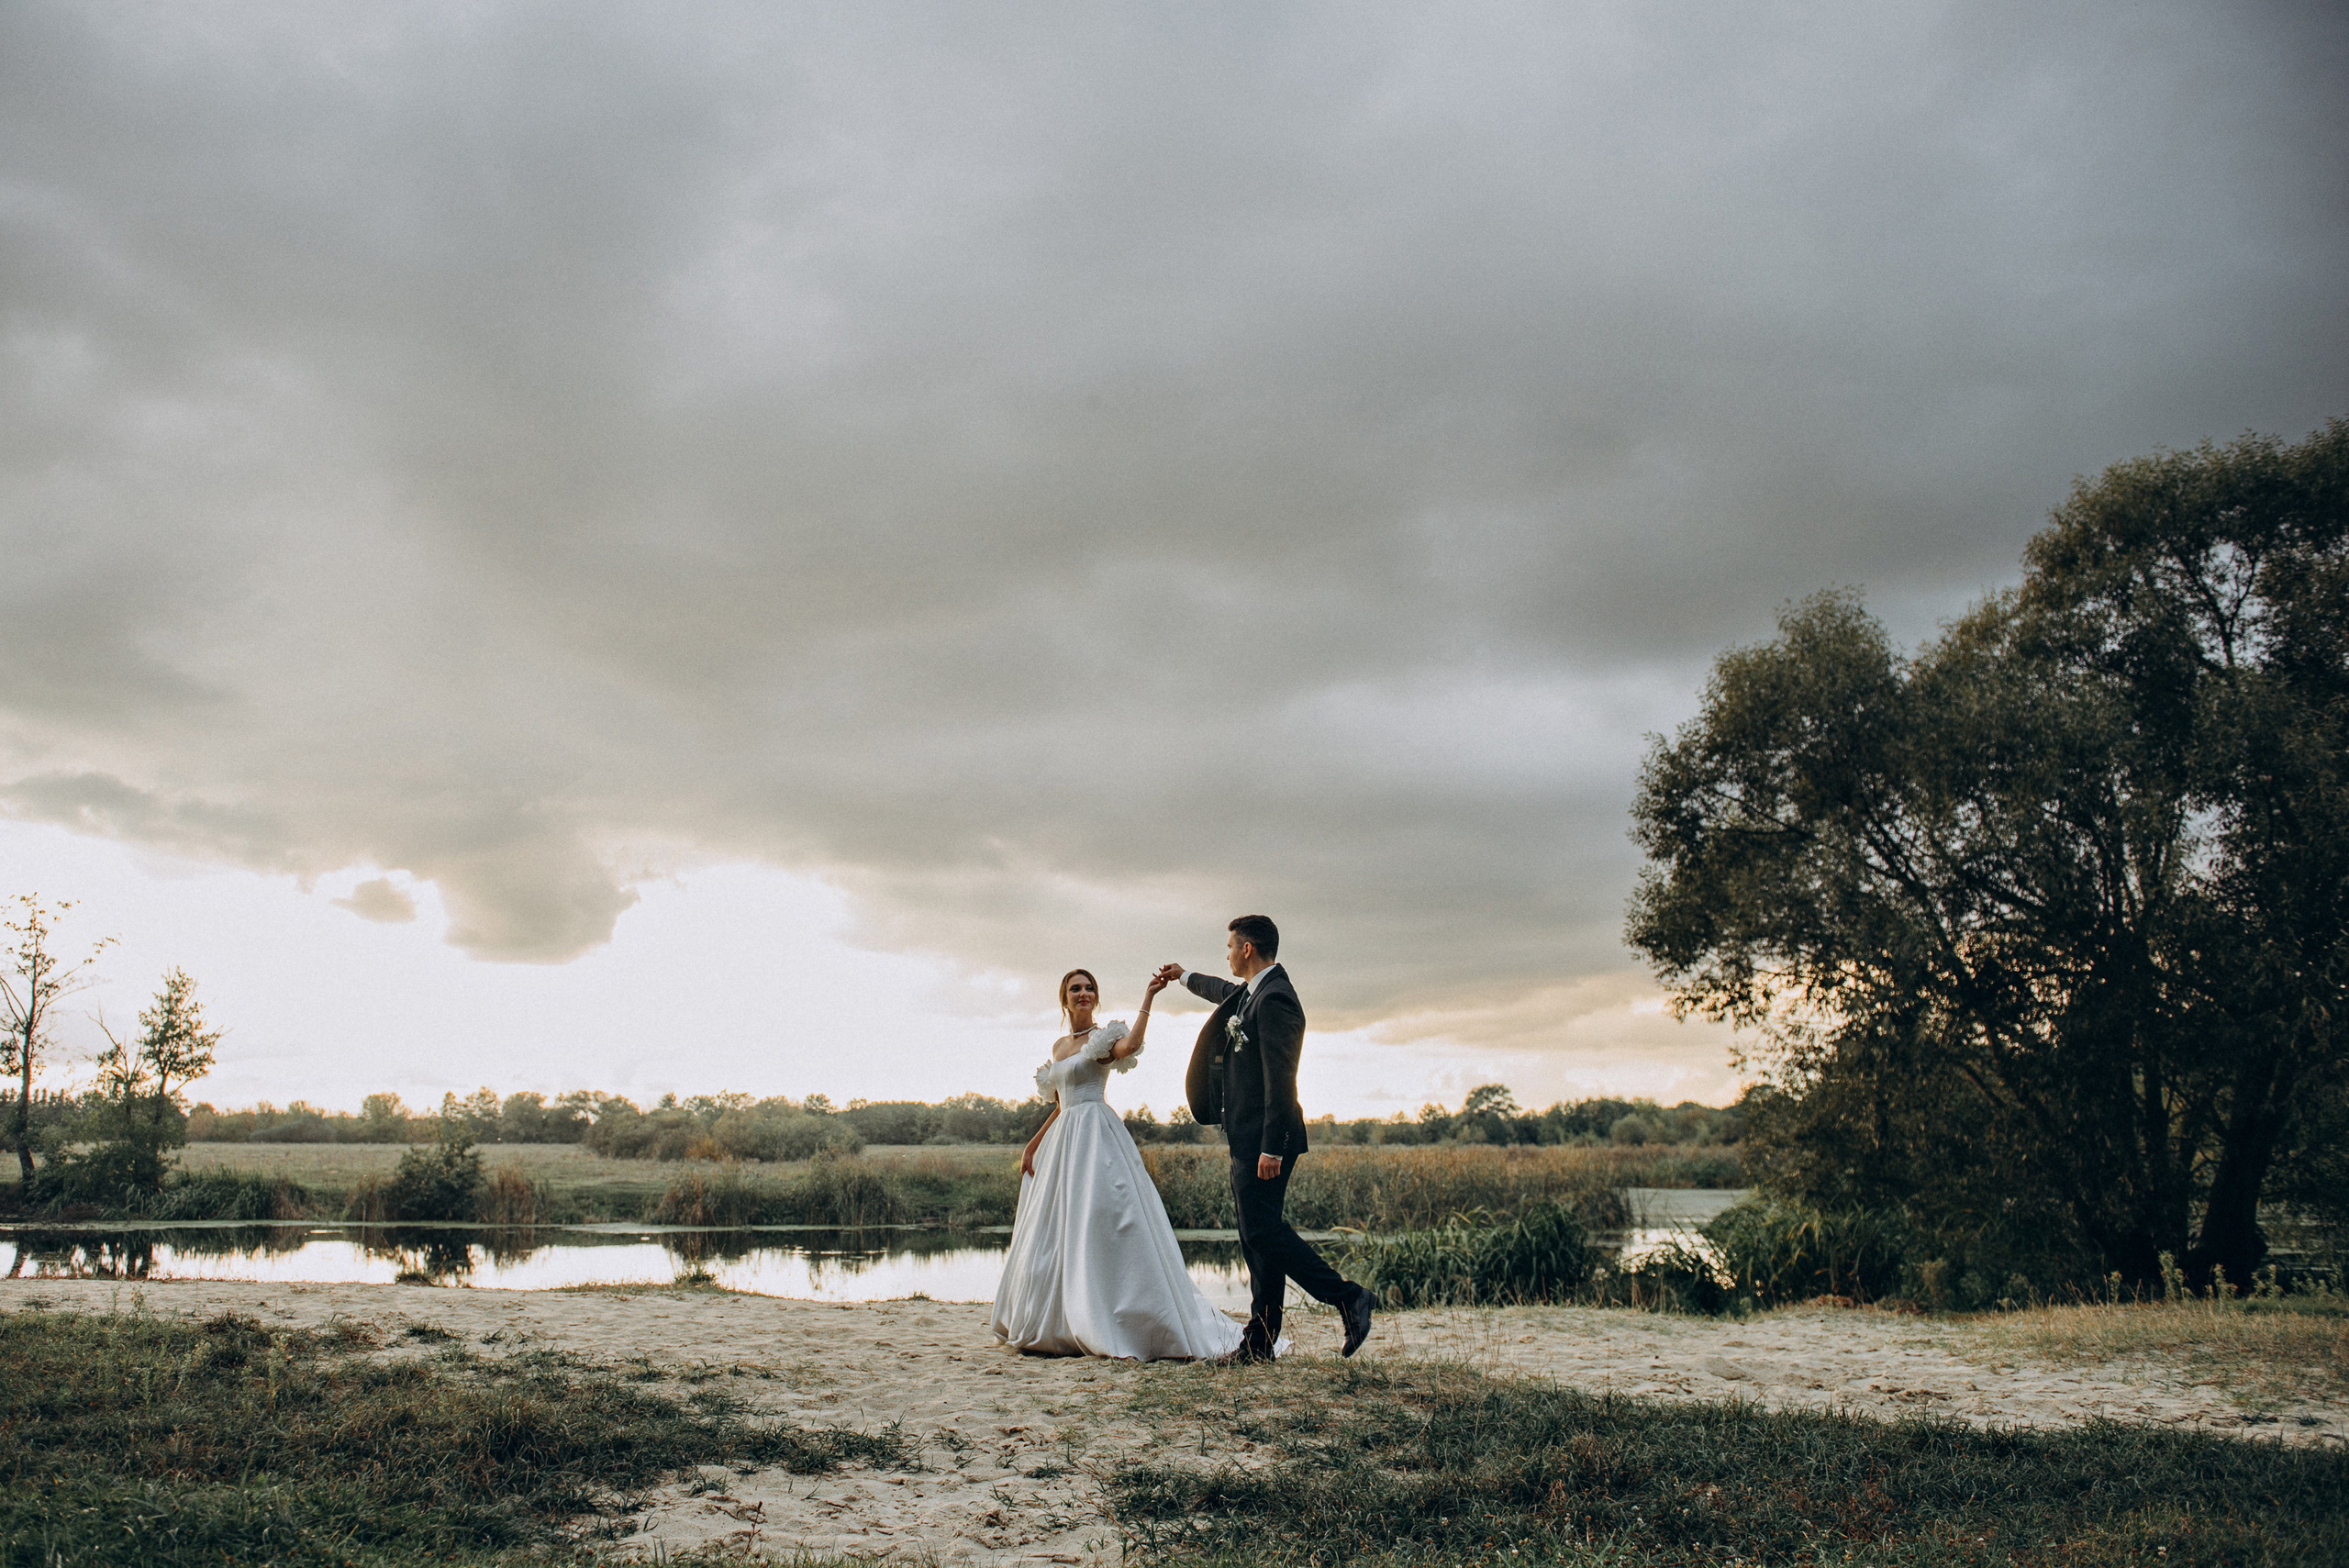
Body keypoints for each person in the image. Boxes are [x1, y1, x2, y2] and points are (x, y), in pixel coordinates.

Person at [989, 967, 1252, 1360]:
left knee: (1102, 1220)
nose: (1084, 993)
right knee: (1057, 1228)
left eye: (1090, 988)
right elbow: (1061, 1104)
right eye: (1075, 989)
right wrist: (1033, 1143)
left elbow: (1128, 1047)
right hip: (1064, 1139)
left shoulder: (1102, 1038)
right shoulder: (1060, 1045)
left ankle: (1111, 1317)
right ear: (1065, 998)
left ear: (1096, 996)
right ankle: (1058, 1319)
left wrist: (1148, 998)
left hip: (1096, 1135)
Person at [1159, 915, 1375, 1361]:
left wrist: (1271, 1147)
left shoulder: (1276, 1000)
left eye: (1230, 946)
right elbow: (1220, 990)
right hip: (1245, 1138)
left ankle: (1349, 1297)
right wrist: (1183, 978)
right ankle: (1259, 1343)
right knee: (1257, 1235)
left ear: (1247, 948)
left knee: (1261, 1231)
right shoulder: (1253, 992)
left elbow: (1283, 1080)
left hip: (1266, 1142)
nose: (1227, 953)